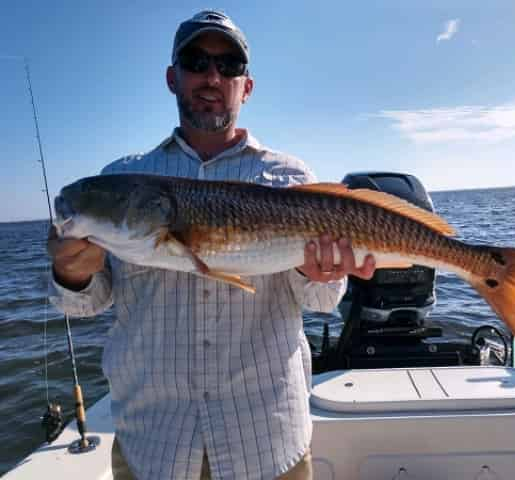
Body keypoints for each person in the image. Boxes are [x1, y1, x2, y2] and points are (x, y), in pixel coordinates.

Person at [48, 10, 375, 480]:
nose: (211, 77)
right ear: (172, 77)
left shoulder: (288, 178)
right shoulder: (122, 179)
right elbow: (86, 305)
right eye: (196, 61)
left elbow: (323, 300)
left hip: (265, 443)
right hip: (153, 445)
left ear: (247, 86)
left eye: (228, 66)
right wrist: (71, 272)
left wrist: (319, 272)